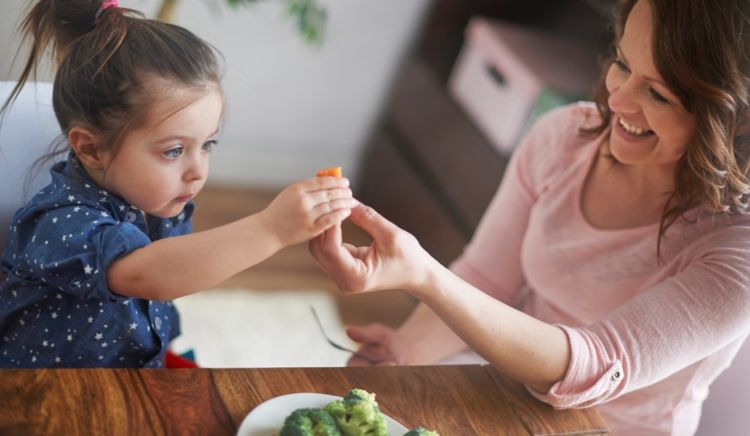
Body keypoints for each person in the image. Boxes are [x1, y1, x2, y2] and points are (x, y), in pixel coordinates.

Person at [309, 0, 750, 434]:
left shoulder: (737, 253)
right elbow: (487, 277)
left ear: (732, 119)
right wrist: (404, 353)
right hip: (506, 392)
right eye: (622, 62)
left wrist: (422, 273)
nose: (617, 100)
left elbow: (590, 365)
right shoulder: (563, 138)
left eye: (657, 93)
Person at [0, 0, 356, 368]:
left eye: (207, 145)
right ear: (91, 148)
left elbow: (183, 265)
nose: (197, 171)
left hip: (135, 365)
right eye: (173, 151)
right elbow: (147, 274)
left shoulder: (160, 200)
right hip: (50, 391)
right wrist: (273, 228)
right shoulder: (59, 222)